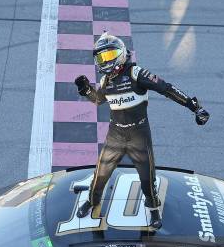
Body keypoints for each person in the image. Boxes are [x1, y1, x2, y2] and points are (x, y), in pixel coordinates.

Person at [74, 32, 209, 229]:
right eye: (101, 57)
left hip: (139, 135)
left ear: (120, 54)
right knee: (100, 175)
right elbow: (98, 100)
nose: (105, 61)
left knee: (147, 179)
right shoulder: (105, 81)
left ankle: (153, 209)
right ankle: (92, 202)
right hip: (115, 135)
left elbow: (166, 88)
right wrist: (85, 90)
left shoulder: (136, 73)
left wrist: (194, 107)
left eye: (109, 56)